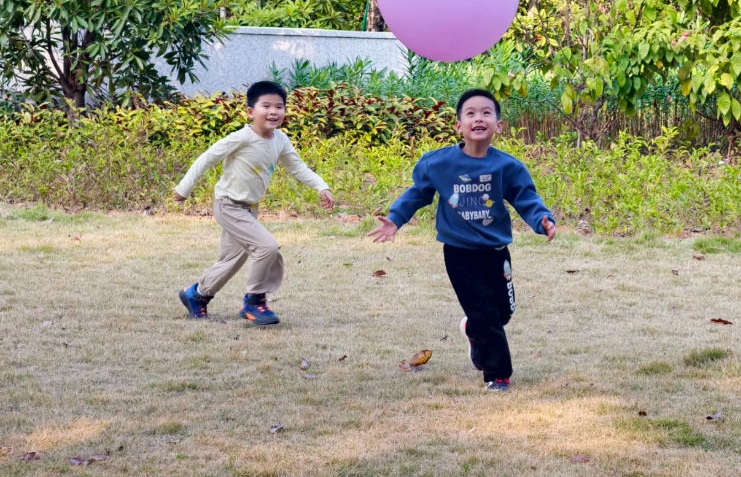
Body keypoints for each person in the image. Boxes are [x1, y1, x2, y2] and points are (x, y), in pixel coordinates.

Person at [369, 89, 556, 392]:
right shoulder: (438, 163)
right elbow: (418, 193)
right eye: (470, 113)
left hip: (496, 251)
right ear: (458, 125)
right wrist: (396, 218)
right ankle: (497, 375)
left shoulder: (507, 167)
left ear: (498, 125)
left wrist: (541, 220)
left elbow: (526, 197)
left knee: (502, 313)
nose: (478, 118)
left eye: (486, 113)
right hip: (459, 253)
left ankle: (471, 330)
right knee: (484, 311)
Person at [174, 81, 334, 325]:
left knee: (230, 261)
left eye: (279, 106)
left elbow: (298, 168)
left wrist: (322, 186)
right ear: (251, 112)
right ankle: (255, 301)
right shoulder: (241, 138)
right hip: (228, 205)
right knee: (267, 247)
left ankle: (196, 295)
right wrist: (183, 189)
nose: (273, 111)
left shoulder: (280, 140)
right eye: (266, 106)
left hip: (249, 209)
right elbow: (207, 159)